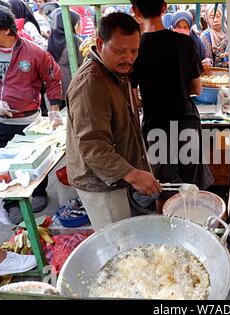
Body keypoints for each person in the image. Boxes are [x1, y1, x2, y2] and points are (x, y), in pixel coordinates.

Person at [66, 12, 161, 231]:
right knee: (118, 240)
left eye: (134, 51)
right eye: (120, 51)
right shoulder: (91, 83)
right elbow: (93, 146)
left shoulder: (117, 73)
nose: (128, 58)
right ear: (100, 44)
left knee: (127, 231)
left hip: (116, 175)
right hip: (99, 183)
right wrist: (134, 175)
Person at [0, 4, 63, 223]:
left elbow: (53, 79)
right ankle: (11, 202)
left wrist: (53, 109)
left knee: (35, 160)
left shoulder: (34, 52)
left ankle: (40, 192)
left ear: (5, 29)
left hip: (28, 119)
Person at [130, 0, 213, 213]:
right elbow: (198, 89)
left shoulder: (135, 48)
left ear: (135, 11)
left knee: (164, 188)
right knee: (192, 185)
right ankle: (194, 228)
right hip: (186, 122)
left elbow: (134, 100)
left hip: (155, 127)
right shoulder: (184, 42)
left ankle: (167, 232)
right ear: (165, 8)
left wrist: (149, 98)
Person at [48, 9, 83, 99]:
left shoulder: (52, 37)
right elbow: (83, 61)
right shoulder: (74, 39)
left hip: (56, 83)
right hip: (72, 83)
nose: (80, 26)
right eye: (78, 23)